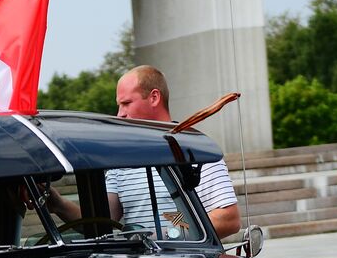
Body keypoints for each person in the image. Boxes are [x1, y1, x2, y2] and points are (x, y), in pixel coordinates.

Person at [47, 65, 242, 240]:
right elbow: (101, 221)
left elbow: (228, 219)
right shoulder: (120, 160)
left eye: (126, 103)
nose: (119, 114)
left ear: (154, 97)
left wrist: (166, 236)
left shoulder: (194, 150)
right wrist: (57, 203)